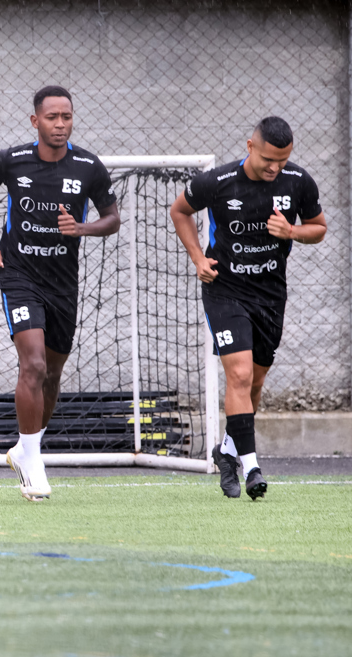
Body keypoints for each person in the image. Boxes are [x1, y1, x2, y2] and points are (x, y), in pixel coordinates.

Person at [0, 86, 120, 502]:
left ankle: (25, 448)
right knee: (32, 364)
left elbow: (112, 219)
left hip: (63, 283)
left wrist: (81, 228)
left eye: (66, 117)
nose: (60, 124)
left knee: (52, 374)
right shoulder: (11, 160)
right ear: (35, 121)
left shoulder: (88, 166)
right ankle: (33, 462)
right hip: (19, 275)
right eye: (52, 117)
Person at [169, 116, 325, 500]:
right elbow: (179, 211)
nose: (275, 168)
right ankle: (252, 467)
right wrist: (197, 258)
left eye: (282, 161)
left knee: (254, 382)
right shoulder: (218, 182)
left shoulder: (298, 182)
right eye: (268, 159)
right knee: (238, 375)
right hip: (225, 290)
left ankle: (227, 450)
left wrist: (292, 231)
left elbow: (318, 227)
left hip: (270, 295)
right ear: (250, 146)